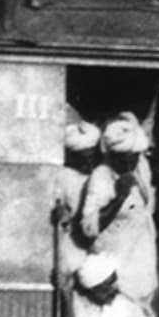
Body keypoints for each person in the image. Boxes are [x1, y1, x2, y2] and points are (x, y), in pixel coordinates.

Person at [79, 113, 159, 315]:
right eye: (126, 159)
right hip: (117, 274)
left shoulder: (140, 170)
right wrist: (119, 199)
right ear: (113, 156)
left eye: (135, 157)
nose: (132, 163)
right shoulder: (101, 177)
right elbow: (89, 228)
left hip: (142, 268)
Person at [51, 122, 100, 298]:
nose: (88, 162)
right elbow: (57, 204)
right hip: (73, 246)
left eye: (91, 156)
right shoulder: (64, 176)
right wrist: (60, 211)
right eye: (82, 157)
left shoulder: (101, 176)